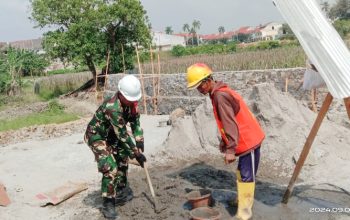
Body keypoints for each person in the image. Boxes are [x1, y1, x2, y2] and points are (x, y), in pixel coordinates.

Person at [186, 63, 265, 220]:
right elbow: (227, 121)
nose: (199, 90)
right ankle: (241, 201)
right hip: (244, 138)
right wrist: (225, 141)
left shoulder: (220, 96)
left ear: (208, 80)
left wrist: (230, 150)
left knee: (247, 175)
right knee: (242, 172)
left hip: (248, 139)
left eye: (199, 86)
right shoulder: (217, 92)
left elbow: (230, 123)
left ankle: (244, 214)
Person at [84, 75, 146, 219]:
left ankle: (121, 189)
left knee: (122, 159)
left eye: (134, 99)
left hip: (113, 136)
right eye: (129, 99)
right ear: (121, 94)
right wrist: (136, 154)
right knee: (110, 167)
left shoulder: (132, 103)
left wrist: (139, 140)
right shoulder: (113, 108)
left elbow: (135, 122)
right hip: (97, 136)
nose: (132, 102)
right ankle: (108, 203)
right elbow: (123, 135)